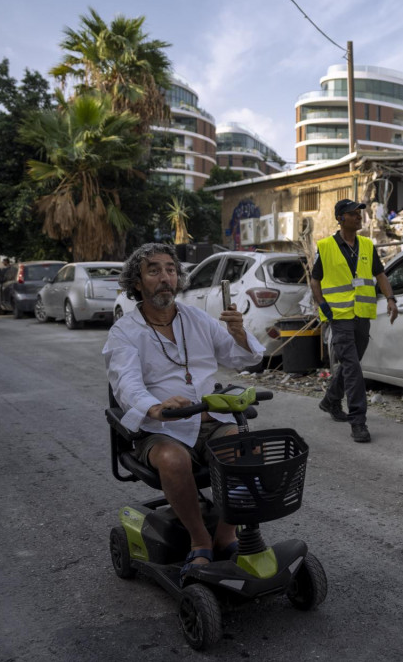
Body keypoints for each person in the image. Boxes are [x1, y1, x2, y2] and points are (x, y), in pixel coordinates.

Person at [103, 243, 265, 577]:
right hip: (161, 430)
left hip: (213, 422)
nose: (165, 277)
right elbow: (126, 384)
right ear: (137, 282)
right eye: (154, 270)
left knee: (247, 449)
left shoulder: (197, 318)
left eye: (171, 270)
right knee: (173, 459)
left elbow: (243, 359)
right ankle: (199, 539)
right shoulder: (125, 332)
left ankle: (225, 535)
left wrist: (239, 334)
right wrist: (156, 407)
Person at [310, 199, 398, 443]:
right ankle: (358, 421)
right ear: (340, 218)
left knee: (352, 363)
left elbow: (380, 274)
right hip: (338, 316)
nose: (359, 217)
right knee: (352, 367)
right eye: (353, 214)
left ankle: (330, 400)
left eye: (360, 214)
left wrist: (391, 299)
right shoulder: (327, 246)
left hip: (362, 314)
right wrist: (323, 305)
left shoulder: (367, 245)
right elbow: (315, 280)